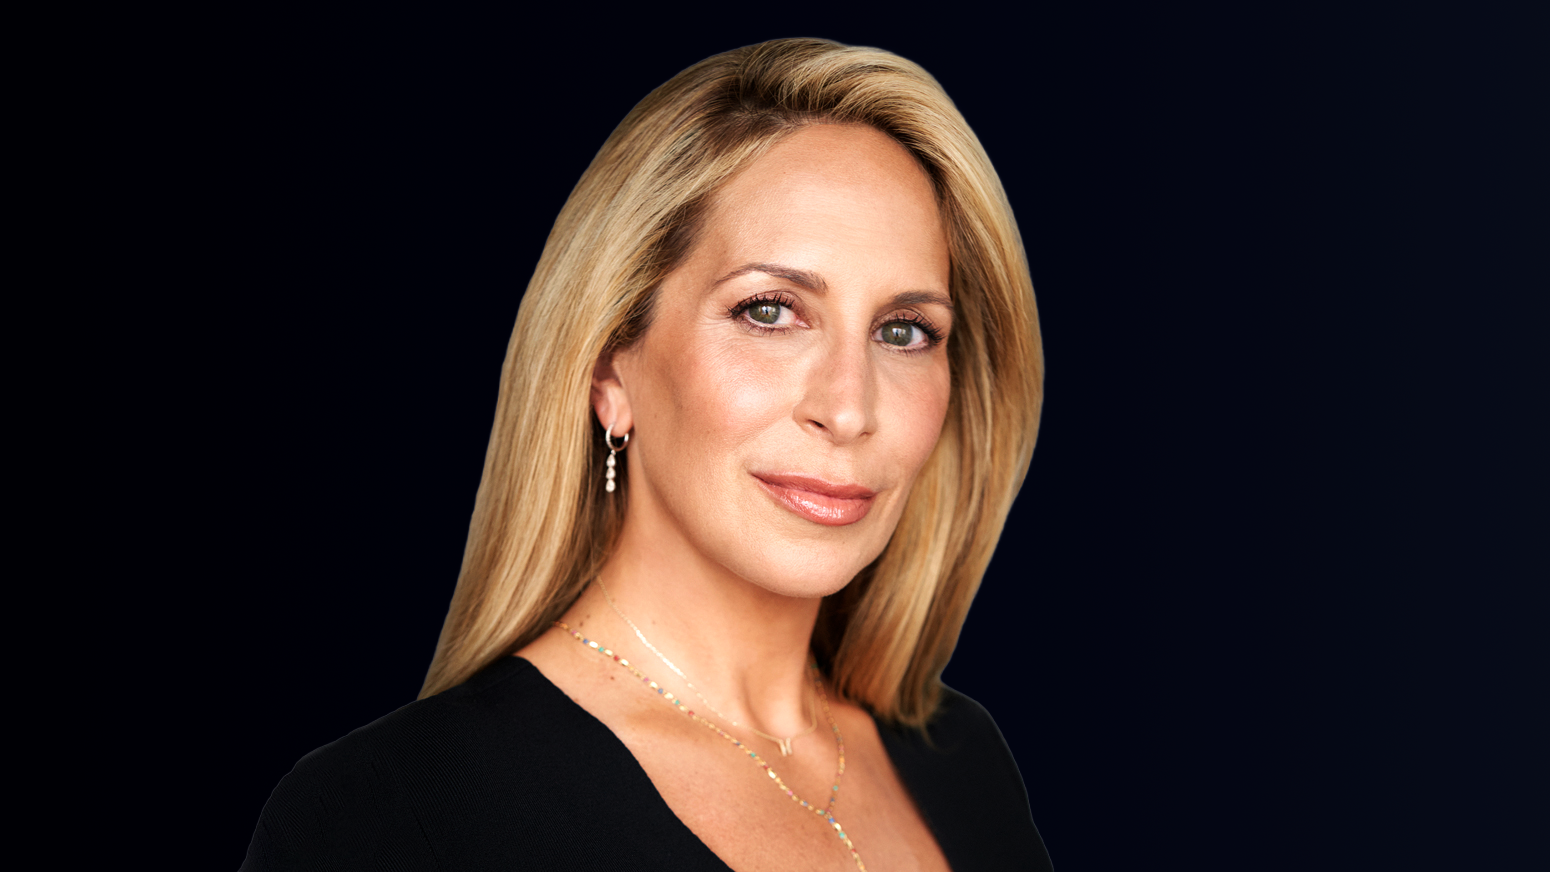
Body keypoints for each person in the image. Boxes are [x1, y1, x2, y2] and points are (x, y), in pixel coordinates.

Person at [242, 37, 1048, 871]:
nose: (848, 409)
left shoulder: (963, 762)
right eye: (769, 311)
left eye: (904, 331)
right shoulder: (385, 818)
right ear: (608, 367)